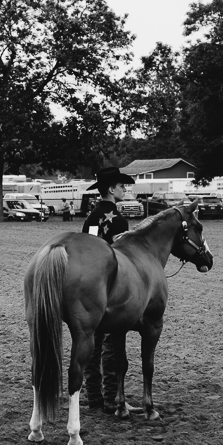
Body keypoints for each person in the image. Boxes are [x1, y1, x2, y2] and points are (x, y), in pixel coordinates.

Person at [81, 166, 136, 414]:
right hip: (114, 288)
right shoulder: (121, 221)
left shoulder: (91, 219)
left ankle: (93, 396)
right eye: (122, 186)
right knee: (113, 346)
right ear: (112, 189)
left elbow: (88, 250)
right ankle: (113, 394)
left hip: (91, 286)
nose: (125, 189)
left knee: (91, 344)